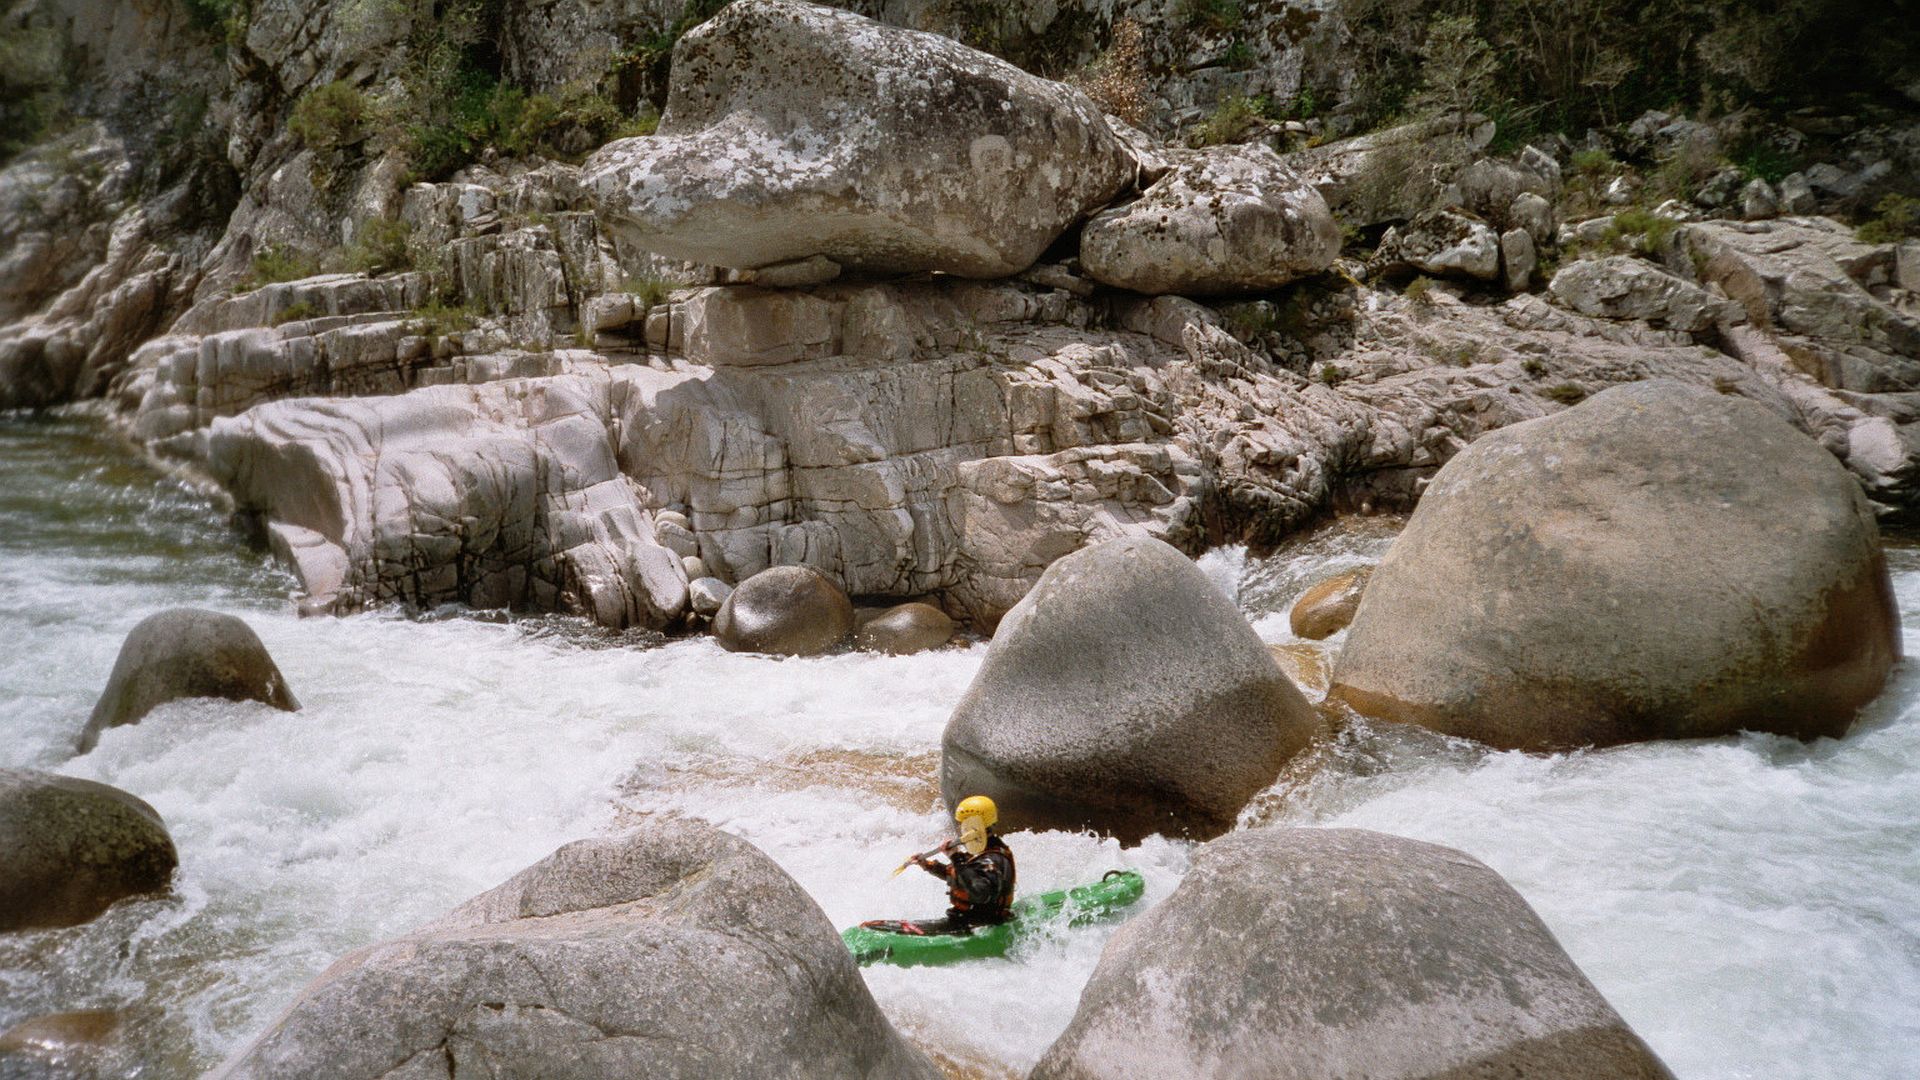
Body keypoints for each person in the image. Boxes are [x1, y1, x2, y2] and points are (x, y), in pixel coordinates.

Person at [864, 794, 1017, 936]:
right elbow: (962, 876)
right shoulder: (985, 853)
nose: (960, 828)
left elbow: (979, 891)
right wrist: (928, 865)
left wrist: (956, 857)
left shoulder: (994, 859)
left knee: (873, 926)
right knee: (875, 925)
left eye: (963, 823)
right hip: (966, 920)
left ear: (973, 825)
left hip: (975, 924)